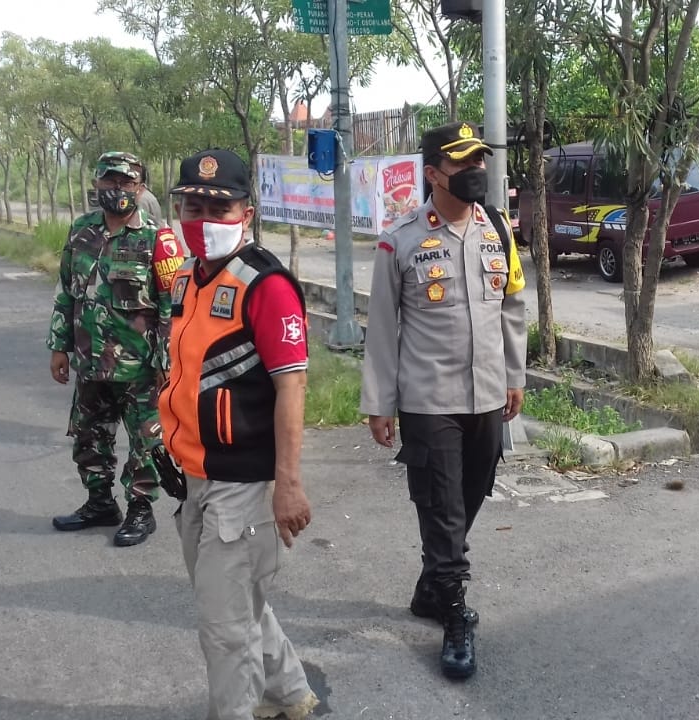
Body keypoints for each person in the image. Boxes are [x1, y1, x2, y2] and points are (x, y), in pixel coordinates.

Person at [359, 122, 527, 679]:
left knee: (471, 494)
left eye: (480, 160)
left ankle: (432, 586)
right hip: (428, 399)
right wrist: (379, 401)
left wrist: (515, 375)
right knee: (443, 506)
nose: (476, 170)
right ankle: (454, 615)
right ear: (433, 173)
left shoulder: (496, 228)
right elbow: (383, 328)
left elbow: (512, 307)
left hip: (487, 394)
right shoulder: (400, 239)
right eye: (463, 162)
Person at [158, 149, 319, 720]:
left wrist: (288, 485)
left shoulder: (266, 286)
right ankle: (290, 693)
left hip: (242, 483)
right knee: (237, 600)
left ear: (245, 214)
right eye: (191, 206)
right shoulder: (186, 278)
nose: (203, 219)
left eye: (218, 207)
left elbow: (291, 386)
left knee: (224, 627)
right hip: (194, 476)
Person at [47, 150, 184, 547]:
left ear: (140, 188)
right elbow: (67, 292)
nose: (118, 189)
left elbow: (172, 305)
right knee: (88, 437)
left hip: (139, 366)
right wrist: (59, 346)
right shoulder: (81, 231)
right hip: (90, 361)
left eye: (127, 182)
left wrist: (166, 359)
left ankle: (141, 510)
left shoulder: (159, 238)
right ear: (97, 183)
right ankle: (100, 503)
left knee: (145, 443)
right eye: (110, 180)